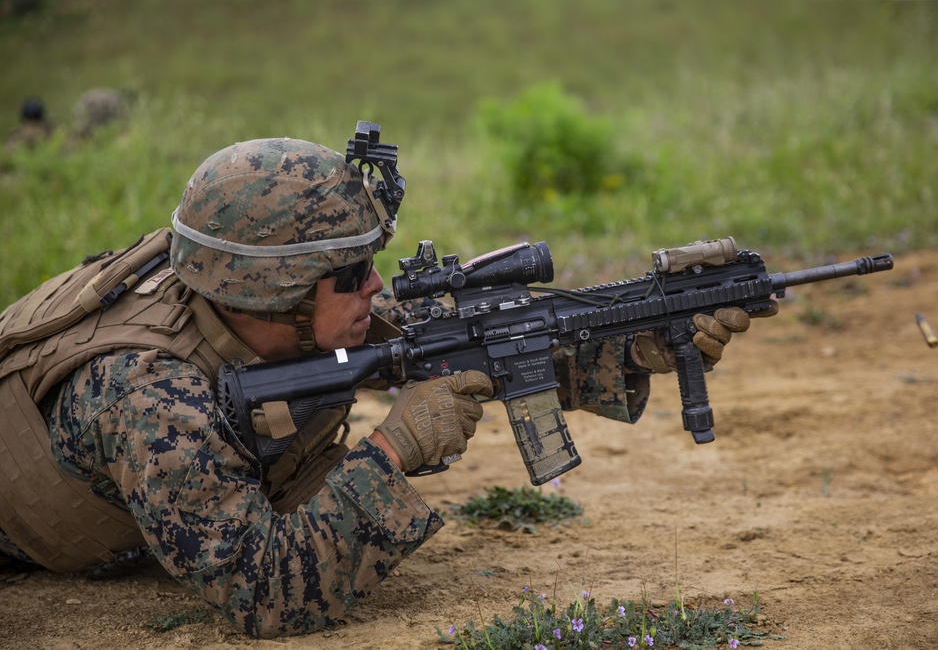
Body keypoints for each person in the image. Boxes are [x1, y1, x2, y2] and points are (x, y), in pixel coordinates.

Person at [0, 136, 772, 638]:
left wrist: (636, 342)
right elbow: (263, 588)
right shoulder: (147, 396)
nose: (375, 286)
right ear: (279, 293)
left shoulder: (284, 307)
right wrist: (392, 450)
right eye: (352, 274)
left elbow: (468, 351)